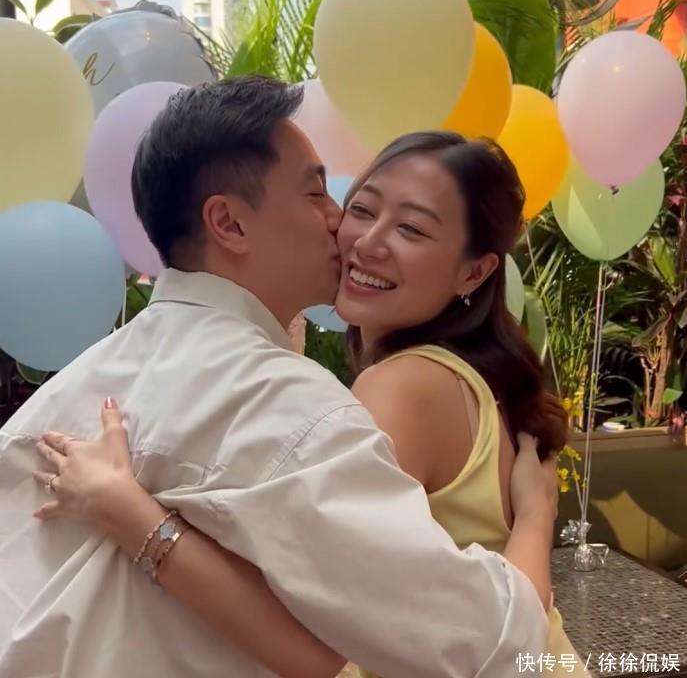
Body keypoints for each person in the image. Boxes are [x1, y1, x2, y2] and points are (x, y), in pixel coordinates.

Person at [0, 76, 556, 678]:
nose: (341, 222)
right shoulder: (292, 412)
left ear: (475, 272)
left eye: (412, 228)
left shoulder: (66, 394)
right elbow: (479, 641)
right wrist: (536, 522)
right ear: (229, 223)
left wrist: (140, 522)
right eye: (322, 195)